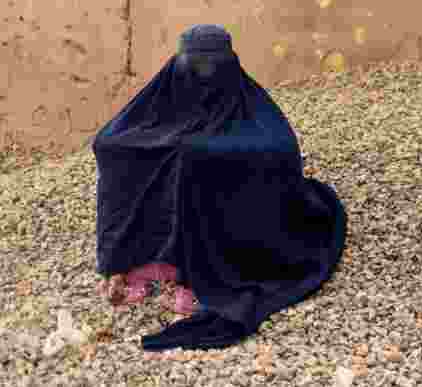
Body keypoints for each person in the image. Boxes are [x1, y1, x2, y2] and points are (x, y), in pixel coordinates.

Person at [94, 24, 348, 351]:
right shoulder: (165, 93)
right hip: (178, 159)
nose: (204, 74)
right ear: (179, 62)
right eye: (195, 65)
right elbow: (113, 138)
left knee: (198, 162)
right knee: (143, 157)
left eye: (212, 65)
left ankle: (197, 275)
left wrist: (208, 153)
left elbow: (276, 147)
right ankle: (141, 265)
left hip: (228, 225)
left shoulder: (249, 105)